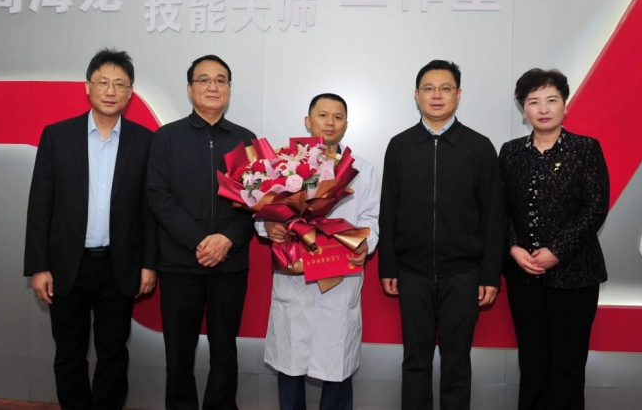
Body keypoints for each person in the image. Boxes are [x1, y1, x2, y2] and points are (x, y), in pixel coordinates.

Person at [24, 49, 157, 410]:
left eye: (120, 84)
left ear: (130, 92)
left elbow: (149, 210)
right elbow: (40, 205)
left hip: (119, 265)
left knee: (113, 353)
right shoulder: (57, 136)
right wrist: (38, 266)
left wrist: (148, 263)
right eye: (103, 82)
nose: (110, 91)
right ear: (87, 86)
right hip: (67, 264)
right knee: (69, 352)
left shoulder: (145, 142)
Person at [378, 59, 503, 410]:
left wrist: (490, 273)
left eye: (445, 88)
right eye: (429, 88)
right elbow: (388, 210)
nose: (437, 95)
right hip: (412, 272)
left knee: (457, 361)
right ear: (416, 95)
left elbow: (494, 216)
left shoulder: (479, 147)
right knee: (415, 360)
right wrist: (388, 266)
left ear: (458, 94)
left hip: (463, 274)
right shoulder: (400, 146)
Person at [146, 55, 256, 410]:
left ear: (229, 89)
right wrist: (199, 241)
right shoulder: (166, 138)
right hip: (180, 263)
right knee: (179, 352)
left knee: (225, 349)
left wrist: (227, 240)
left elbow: (258, 202)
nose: (213, 87)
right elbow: (158, 197)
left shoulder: (246, 140)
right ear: (190, 89)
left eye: (220, 80)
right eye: (204, 80)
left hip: (230, 262)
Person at [257, 93, 380, 410]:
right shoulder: (283, 167)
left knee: (337, 363)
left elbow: (371, 218)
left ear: (346, 124)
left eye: (338, 117)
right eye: (323, 115)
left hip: (340, 277)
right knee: (290, 361)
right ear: (307, 121)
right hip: (294, 277)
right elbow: (262, 210)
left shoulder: (362, 170)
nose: (330, 122)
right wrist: (269, 227)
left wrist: (365, 244)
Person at [500, 68, 609, 410]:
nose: (543, 109)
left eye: (552, 100)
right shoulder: (510, 152)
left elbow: (595, 208)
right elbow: (499, 207)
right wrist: (513, 247)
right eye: (533, 102)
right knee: (532, 364)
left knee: (568, 365)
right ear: (523, 110)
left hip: (575, 275)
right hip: (524, 276)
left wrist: (557, 251)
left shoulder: (585, 149)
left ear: (565, 106)